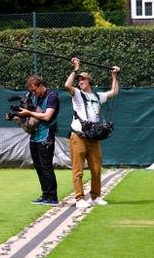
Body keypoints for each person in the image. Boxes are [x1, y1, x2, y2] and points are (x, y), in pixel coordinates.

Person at [64, 58, 120, 209]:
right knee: (78, 170)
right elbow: (67, 85)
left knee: (96, 169)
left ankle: (96, 196)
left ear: (89, 81)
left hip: (93, 138)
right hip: (78, 136)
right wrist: (75, 69)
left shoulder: (97, 96)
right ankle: (79, 198)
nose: (80, 81)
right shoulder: (76, 94)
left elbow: (114, 92)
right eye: (79, 79)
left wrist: (114, 75)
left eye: (83, 79)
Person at [18, 75, 60, 206]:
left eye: (34, 90)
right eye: (31, 91)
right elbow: (33, 116)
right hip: (35, 136)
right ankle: (45, 195)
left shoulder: (52, 96)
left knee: (46, 166)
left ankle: (52, 197)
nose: (33, 93)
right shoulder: (36, 98)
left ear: (41, 85)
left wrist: (29, 113)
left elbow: (47, 116)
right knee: (38, 167)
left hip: (46, 135)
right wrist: (18, 117)